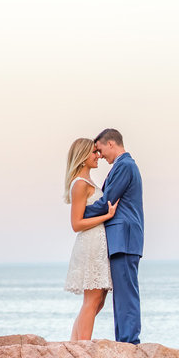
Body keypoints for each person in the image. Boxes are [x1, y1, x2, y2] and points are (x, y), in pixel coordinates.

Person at [82, 128, 144, 344]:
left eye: (100, 150)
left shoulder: (125, 165)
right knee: (123, 293)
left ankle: (129, 342)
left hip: (123, 237)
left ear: (111, 144)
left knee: (126, 293)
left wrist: (81, 212)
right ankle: (125, 341)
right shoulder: (124, 165)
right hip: (122, 238)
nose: (100, 155)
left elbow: (108, 201)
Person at [63, 137, 117, 340]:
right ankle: (82, 348)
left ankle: (75, 344)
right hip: (90, 243)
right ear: (83, 156)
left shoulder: (88, 181)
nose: (98, 156)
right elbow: (76, 224)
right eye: (94, 152)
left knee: (99, 299)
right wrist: (107, 215)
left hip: (98, 242)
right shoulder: (80, 184)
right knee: (92, 299)